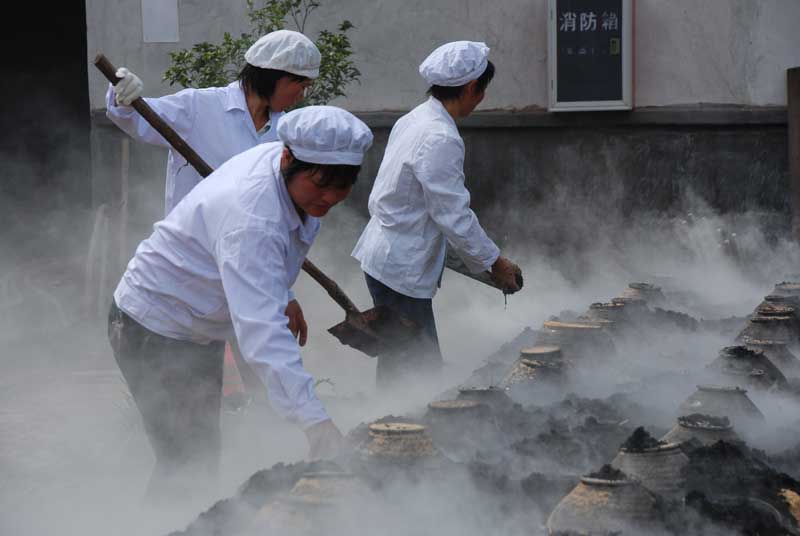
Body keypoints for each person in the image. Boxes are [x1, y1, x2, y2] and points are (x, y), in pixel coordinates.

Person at [107, 106, 373, 501]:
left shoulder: (280, 163)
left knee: (197, 452)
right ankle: (168, 526)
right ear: (288, 160)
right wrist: (316, 424)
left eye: (342, 187)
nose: (330, 198)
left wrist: (284, 292)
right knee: (185, 463)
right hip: (155, 326)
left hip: (195, 323)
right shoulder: (252, 218)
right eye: (321, 185)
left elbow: (271, 258)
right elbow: (262, 332)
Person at [351, 41, 523, 387]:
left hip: (385, 256)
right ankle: (399, 432)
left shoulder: (414, 118)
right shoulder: (440, 136)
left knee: (400, 358)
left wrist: (485, 263)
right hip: (400, 266)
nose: (482, 99)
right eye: (482, 90)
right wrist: (495, 262)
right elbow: (453, 216)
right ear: (471, 88)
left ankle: (385, 426)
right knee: (418, 369)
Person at [107, 29, 320, 215]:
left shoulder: (283, 131)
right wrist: (124, 96)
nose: (302, 95)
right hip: (192, 251)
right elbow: (137, 118)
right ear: (276, 76)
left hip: (247, 252)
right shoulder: (199, 107)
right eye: (302, 85)